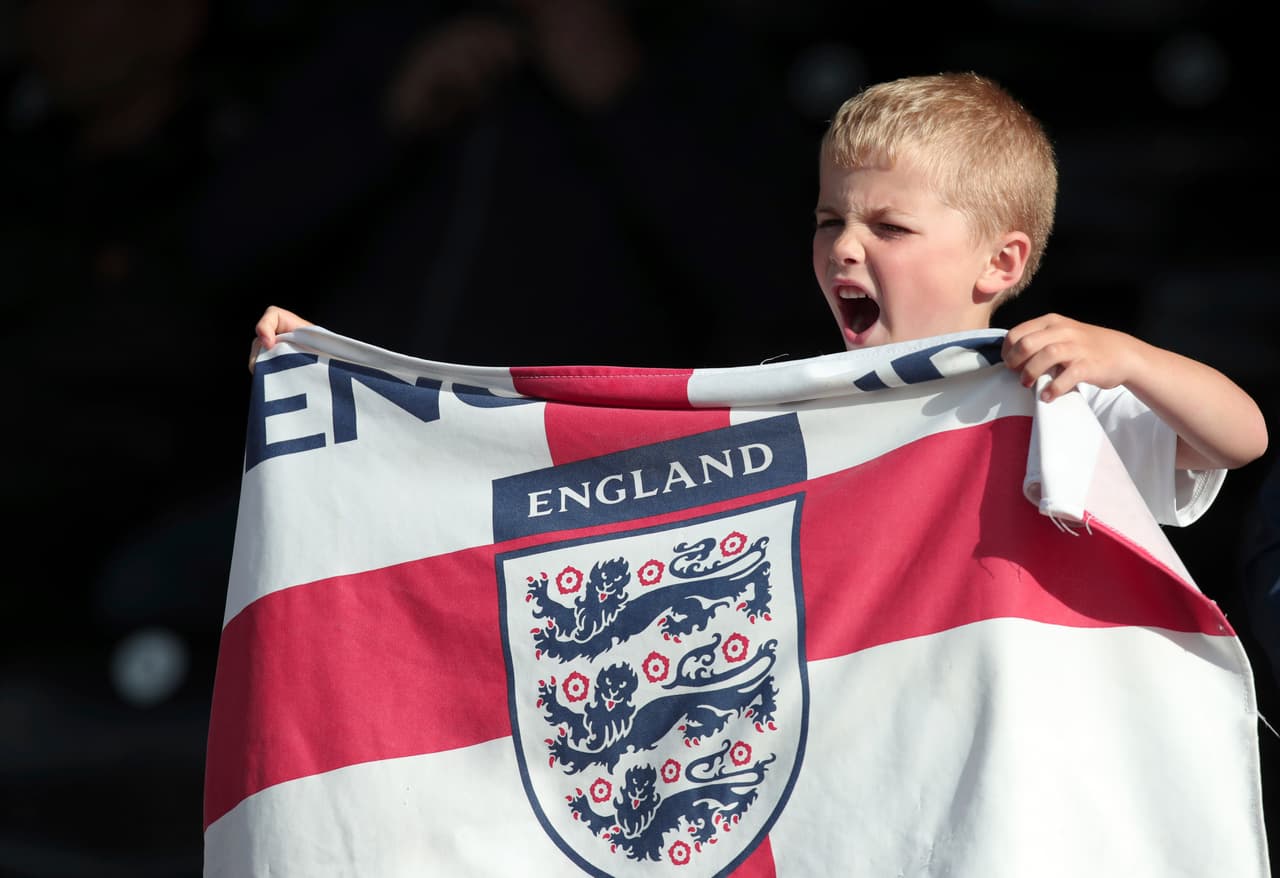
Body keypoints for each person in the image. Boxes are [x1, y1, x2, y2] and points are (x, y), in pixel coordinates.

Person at [251, 71, 1268, 525]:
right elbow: (572, 437)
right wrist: (344, 369)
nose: (845, 248)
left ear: (999, 266)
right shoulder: (789, 392)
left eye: (888, 227)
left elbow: (1237, 438)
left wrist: (1124, 357)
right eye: (829, 221)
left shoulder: (1050, 387)